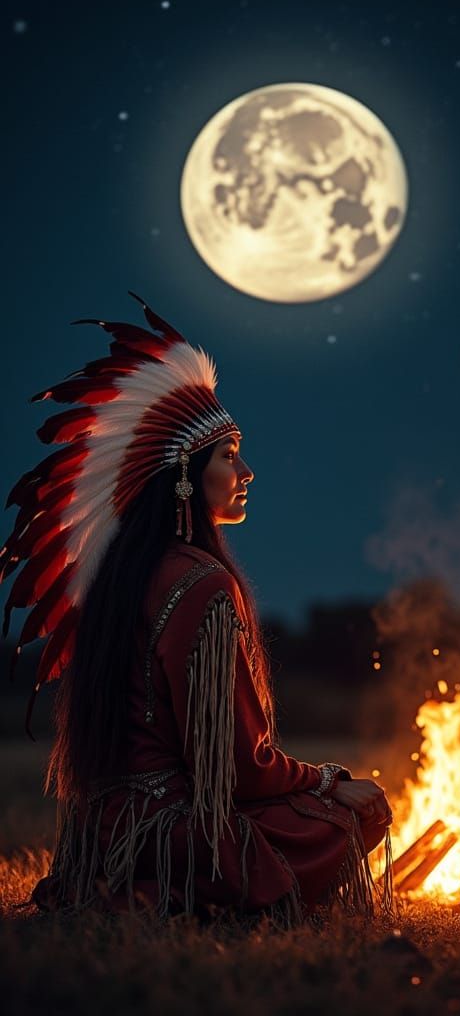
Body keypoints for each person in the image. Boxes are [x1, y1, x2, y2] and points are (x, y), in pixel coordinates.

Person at [0, 292, 393, 928]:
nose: (247, 471)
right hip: (179, 838)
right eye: (229, 455)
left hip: (107, 829)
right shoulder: (203, 585)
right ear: (186, 473)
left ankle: (133, 884)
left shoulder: (123, 578)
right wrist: (328, 781)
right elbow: (237, 770)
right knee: (361, 812)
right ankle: (172, 892)